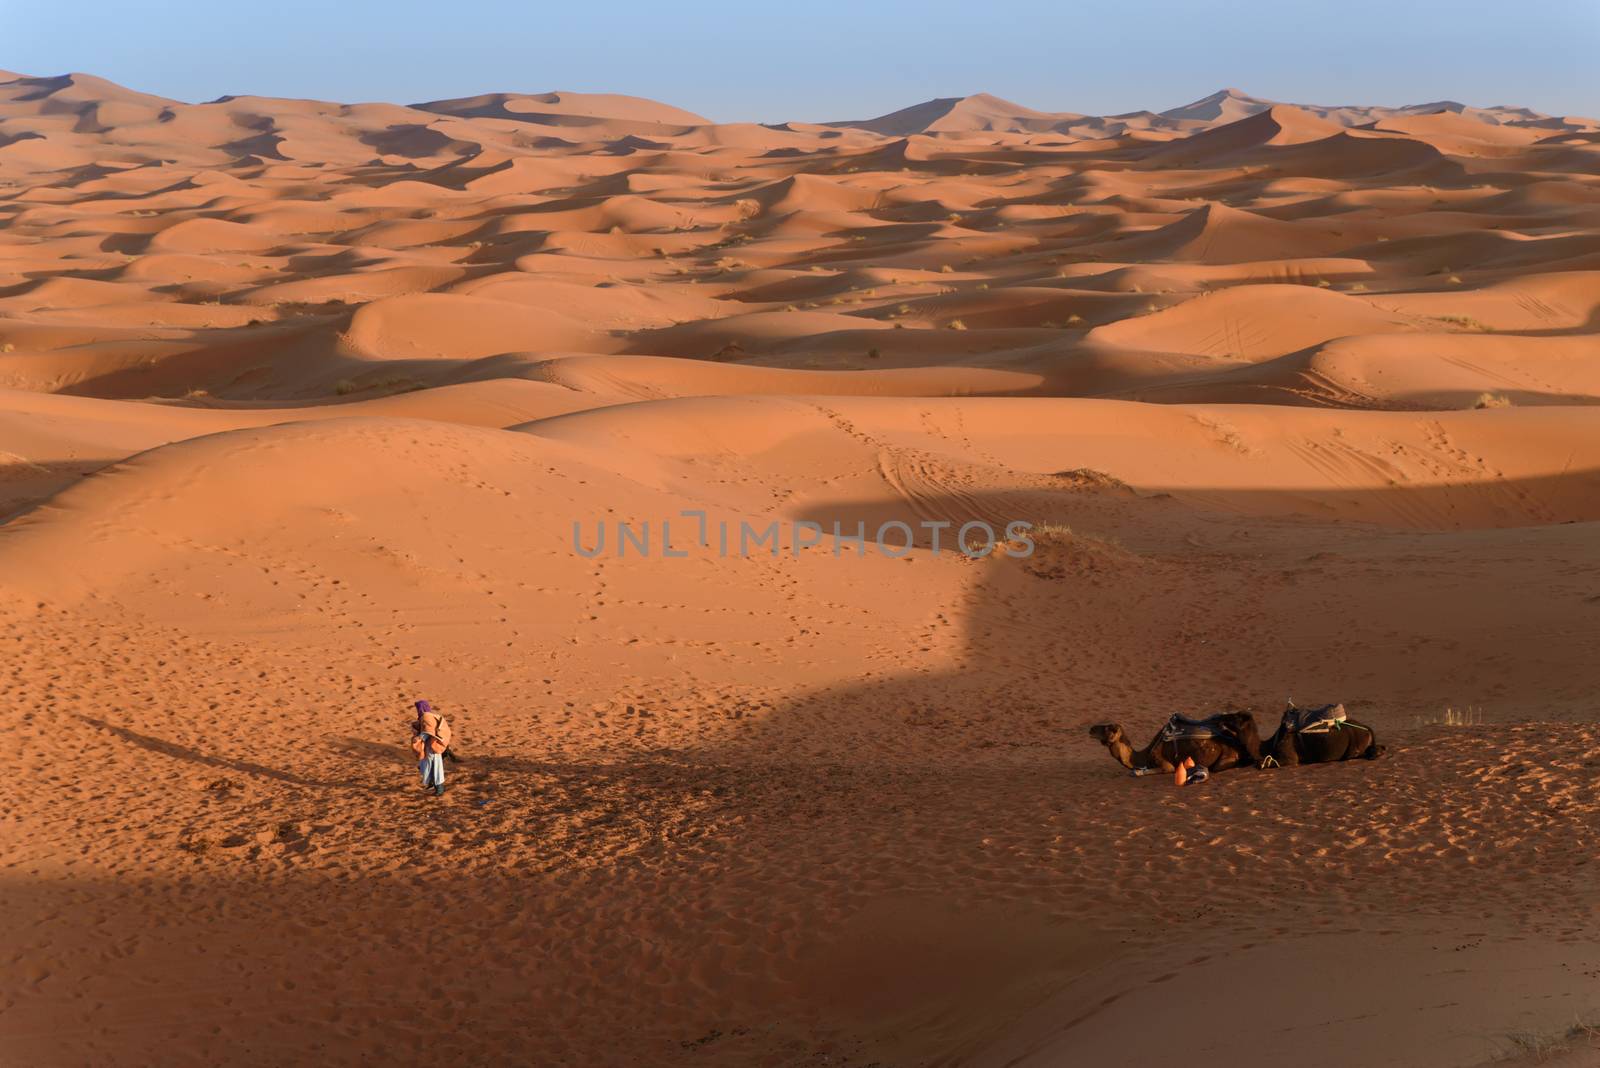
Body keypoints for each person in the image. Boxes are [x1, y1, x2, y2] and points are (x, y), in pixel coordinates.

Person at [410, 700, 453, 796]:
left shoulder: (426, 716)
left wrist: (419, 738)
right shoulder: (428, 716)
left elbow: (428, 731)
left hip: (432, 748)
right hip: (430, 747)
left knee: (434, 767)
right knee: (427, 766)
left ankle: (439, 788)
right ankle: (433, 784)